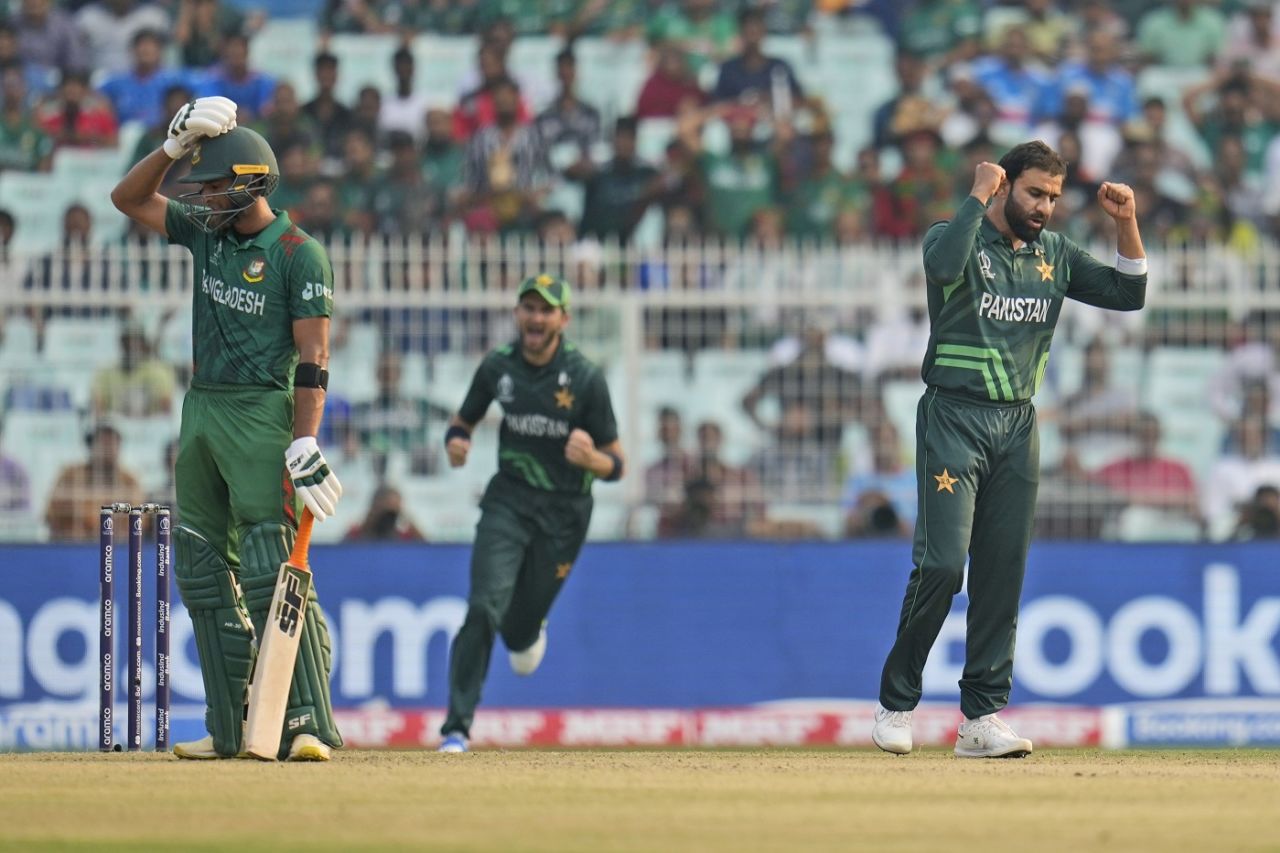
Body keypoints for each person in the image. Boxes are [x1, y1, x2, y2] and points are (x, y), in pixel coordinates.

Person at [871, 141, 1147, 759]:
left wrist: (1126, 221)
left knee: (1002, 573)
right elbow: (941, 269)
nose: (1045, 207)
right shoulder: (956, 234)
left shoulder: (1056, 255)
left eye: (1053, 196)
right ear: (1005, 187)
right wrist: (976, 195)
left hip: (1017, 428)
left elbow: (1130, 294)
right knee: (943, 565)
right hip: (952, 417)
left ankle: (981, 720)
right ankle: (897, 703)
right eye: (1033, 193)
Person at [110, 97, 345, 761]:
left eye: (215, 185)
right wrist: (174, 146)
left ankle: (306, 722)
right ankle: (226, 725)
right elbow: (127, 198)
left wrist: (304, 438)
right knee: (203, 567)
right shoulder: (206, 233)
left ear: (252, 182)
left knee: (273, 564)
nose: (205, 198)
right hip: (203, 409)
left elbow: (315, 357)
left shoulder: (301, 254)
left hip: (264, 413)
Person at [437, 274, 624, 753]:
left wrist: (593, 461)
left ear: (563, 319)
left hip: (565, 514)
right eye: (528, 308)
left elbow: (616, 463)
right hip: (509, 501)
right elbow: (463, 420)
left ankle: (527, 626)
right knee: (482, 605)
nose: (536, 318)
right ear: (518, 314)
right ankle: (456, 729)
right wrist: (457, 441)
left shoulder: (584, 377)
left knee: (519, 634)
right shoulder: (498, 366)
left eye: (546, 310)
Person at [45, 422, 142, 540]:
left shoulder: (129, 481)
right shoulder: (70, 476)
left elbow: (138, 523)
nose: (108, 450)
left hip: (116, 547)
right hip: (72, 546)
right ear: (91, 447)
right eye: (104, 444)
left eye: (113, 444)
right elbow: (52, 515)